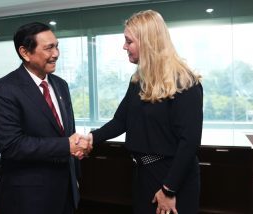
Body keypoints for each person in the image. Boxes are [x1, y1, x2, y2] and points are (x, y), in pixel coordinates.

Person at [87, 10, 203, 214]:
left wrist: (168, 189)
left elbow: (189, 143)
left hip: (171, 179)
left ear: (148, 42)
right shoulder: (138, 81)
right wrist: (89, 138)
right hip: (143, 173)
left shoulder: (185, 82)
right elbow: (120, 121)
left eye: (128, 41)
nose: (124, 46)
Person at [0, 22, 91, 214]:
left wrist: (76, 152)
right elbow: (12, 145)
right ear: (25, 52)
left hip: (66, 191)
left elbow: (65, 132)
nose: (56, 53)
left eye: (57, 46)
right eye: (49, 48)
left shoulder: (61, 85)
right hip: (29, 198)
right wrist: (66, 146)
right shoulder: (3, 90)